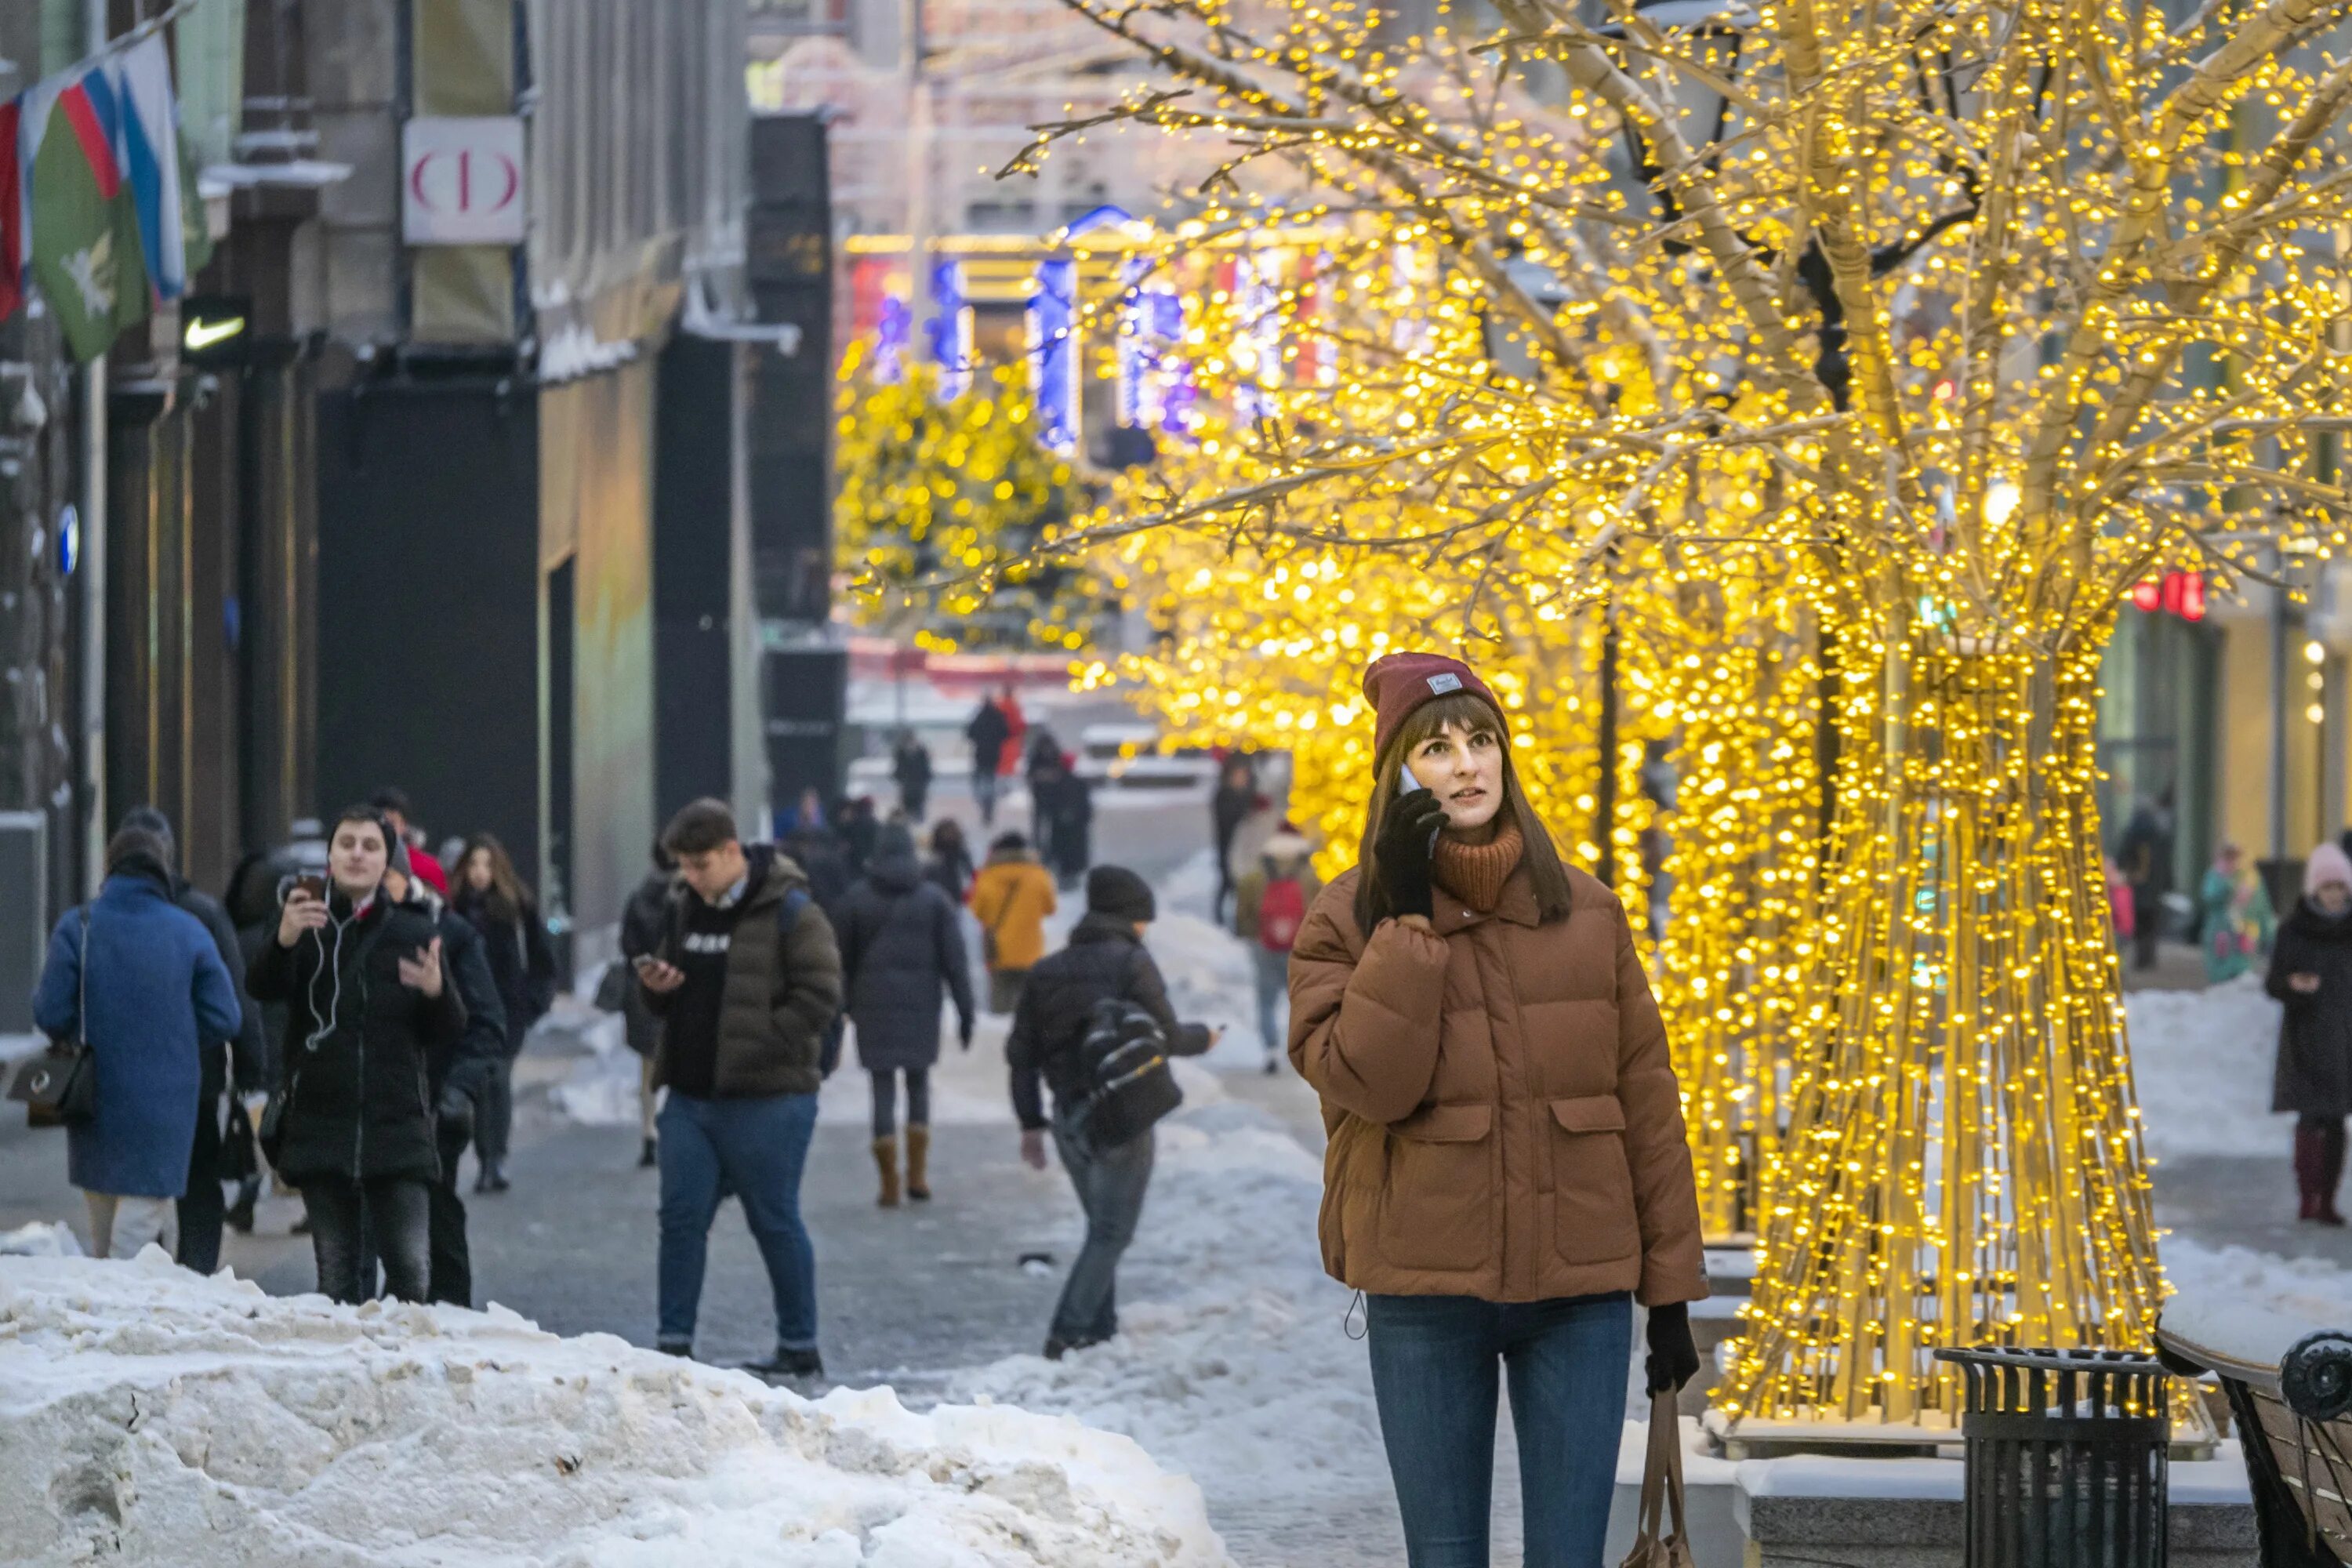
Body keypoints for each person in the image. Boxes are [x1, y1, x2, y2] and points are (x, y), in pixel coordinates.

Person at [1287, 652, 1706, 1566]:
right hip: (1425, 1294)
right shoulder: (1345, 919)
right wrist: (1405, 920)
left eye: (1482, 740)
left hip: (1580, 1297)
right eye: (1435, 748)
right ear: (1398, 772)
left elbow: (1647, 1101)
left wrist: (1670, 1289)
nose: (1467, 764)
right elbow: (1371, 1082)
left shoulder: (1588, 913)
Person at [636, 798, 844, 1379]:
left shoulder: (793, 911)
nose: (690, 877)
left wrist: (763, 1044)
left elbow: (821, 996)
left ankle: (799, 1344)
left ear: (732, 851)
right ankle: (673, 1343)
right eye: (683, 865)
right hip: (691, 1097)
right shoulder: (683, 907)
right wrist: (657, 988)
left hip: (771, 1098)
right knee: (679, 1218)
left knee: (773, 1219)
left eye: (700, 864)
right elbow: (671, 997)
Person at [246, 806, 466, 1304]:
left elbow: (448, 1029)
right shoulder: (304, 924)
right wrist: (282, 941)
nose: (357, 854)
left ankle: (402, 1371)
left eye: (370, 846)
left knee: (412, 1273)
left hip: (397, 1125)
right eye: (346, 843)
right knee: (337, 1277)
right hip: (323, 1122)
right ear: (330, 855)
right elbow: (262, 988)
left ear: (387, 862)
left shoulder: (413, 931)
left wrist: (436, 990)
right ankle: (344, 1375)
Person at [1007, 866, 1218, 1357]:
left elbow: (1021, 1057)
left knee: (1100, 1229)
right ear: (1128, 917)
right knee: (1110, 1233)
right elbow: (1166, 1035)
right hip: (1119, 1115)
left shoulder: (1046, 971)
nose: (1146, 929)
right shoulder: (1131, 963)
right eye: (1144, 919)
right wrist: (1205, 1037)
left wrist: (1031, 1124)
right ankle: (1068, 1330)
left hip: (1068, 1119)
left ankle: (1098, 1333)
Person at [34, 828, 242, 1261]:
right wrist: (176, 1038)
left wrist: (90, 1030)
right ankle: (122, 1320)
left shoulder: (79, 926)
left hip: (94, 1099)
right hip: (167, 1102)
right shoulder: (189, 931)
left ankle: (109, 1319)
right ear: (163, 870)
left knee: (104, 1235)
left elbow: (51, 1014)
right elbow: (226, 1016)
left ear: (110, 868)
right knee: (136, 1237)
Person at [114, 808, 268, 1275]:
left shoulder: (101, 913)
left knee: (139, 1179)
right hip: (196, 1072)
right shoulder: (200, 912)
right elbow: (237, 999)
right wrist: (249, 1071)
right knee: (198, 1174)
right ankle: (195, 1272)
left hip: (124, 1073)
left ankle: (144, 1270)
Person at [381, 841, 506, 1306]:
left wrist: (459, 1091)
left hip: (434, 1101)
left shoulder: (449, 934)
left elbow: (488, 1021)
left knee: (434, 1212)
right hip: (373, 1100)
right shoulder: (347, 927)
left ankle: (448, 1314)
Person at [837, 823, 977, 1205]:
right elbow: (956, 963)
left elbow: (839, 962)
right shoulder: (935, 901)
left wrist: (840, 1010)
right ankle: (917, 1175)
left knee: (881, 1089)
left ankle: (888, 1184)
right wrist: (966, 1012)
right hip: (921, 1006)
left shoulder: (856, 900)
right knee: (918, 1084)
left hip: (872, 1005)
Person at [452, 833, 558, 1195]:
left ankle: (495, 1159)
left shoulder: (517, 907)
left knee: (498, 1080)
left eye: (487, 865)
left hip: (509, 1010)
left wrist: (533, 1004)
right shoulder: (454, 909)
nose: (480, 873)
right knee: (482, 1084)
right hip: (468, 1012)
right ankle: (487, 1160)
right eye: (474, 864)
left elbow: (544, 959)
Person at [2267, 841, 2352, 1227]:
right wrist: (2293, 984)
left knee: (2335, 1121)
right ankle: (2307, 1196)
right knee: (2309, 1119)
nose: (2334, 896)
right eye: (2327, 888)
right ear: (2314, 890)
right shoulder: (2294, 931)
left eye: (2340, 888)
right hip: (2306, 1038)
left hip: (2346, 1039)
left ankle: (2328, 1200)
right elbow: (2273, 983)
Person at [1233, 819, 1320, 1075]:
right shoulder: (1309, 876)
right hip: (1301, 948)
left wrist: (1252, 935)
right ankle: (1303, 1049)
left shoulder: (1255, 876)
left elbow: (1243, 914)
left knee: (1266, 1000)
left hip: (1265, 947)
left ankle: (1271, 1049)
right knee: (1301, 1000)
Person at [619, 838, 676, 1168]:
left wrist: (649, 971)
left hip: (645, 991)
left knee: (649, 1067)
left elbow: (628, 945)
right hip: (681, 991)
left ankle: (649, 1131)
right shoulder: (689, 898)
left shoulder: (640, 897)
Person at [969, 829, 1058, 1014]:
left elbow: (977, 911)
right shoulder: (1039, 875)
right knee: (1028, 1011)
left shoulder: (988, 876)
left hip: (998, 951)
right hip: (1030, 951)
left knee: (1000, 1009)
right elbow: (1050, 909)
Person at [2116, 787, 2176, 971]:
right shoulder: (2158, 834)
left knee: (2138, 922)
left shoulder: (2133, 833)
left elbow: (2123, 856)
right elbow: (2164, 862)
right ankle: (2148, 957)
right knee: (2151, 922)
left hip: (2136, 884)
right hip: (2153, 885)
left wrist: (2125, 873)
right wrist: (2167, 882)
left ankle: (2142, 958)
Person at [2199, 842, 2274, 985]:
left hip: (2245, 936)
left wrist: (2269, 934)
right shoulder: (2216, 877)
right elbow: (2209, 897)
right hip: (2221, 937)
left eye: (2234, 858)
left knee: (2244, 976)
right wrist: (2226, 884)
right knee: (2221, 979)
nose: (2231, 862)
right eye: (2227, 858)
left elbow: (2263, 908)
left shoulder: (2250, 879)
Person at [369, 786, 450, 896]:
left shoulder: (429, 867)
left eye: (392, 823)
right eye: (380, 822)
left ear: (403, 826)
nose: (385, 829)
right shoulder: (359, 859)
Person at [1211, 757, 1261, 927]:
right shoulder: (1224, 795)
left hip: (1245, 848)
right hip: (1228, 846)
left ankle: (1237, 920)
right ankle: (1222, 919)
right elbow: (1227, 820)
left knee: (1238, 886)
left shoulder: (1245, 795)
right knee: (1228, 882)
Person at [1033, 752, 1095, 890]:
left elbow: (1047, 806)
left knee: (1061, 852)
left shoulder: (1055, 784)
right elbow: (1085, 806)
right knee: (1073, 853)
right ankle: (1070, 876)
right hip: (1076, 828)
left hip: (1060, 826)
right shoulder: (1079, 784)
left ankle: (1065, 876)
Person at [965, 695, 1014, 827]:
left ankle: (985, 808)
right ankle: (988, 809)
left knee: (980, 784)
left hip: (981, 756)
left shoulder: (979, 716)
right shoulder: (998, 716)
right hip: (993, 756)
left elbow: (969, 733)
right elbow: (1006, 733)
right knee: (989, 784)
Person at [924, 818, 977, 904]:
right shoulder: (961, 854)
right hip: (953, 897)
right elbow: (971, 875)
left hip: (941, 897)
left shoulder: (933, 858)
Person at [892, 732, 935, 823]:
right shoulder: (901, 754)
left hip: (918, 786)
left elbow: (926, 770)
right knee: (908, 809)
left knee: (918, 809)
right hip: (908, 786)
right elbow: (898, 770)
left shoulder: (921, 753)